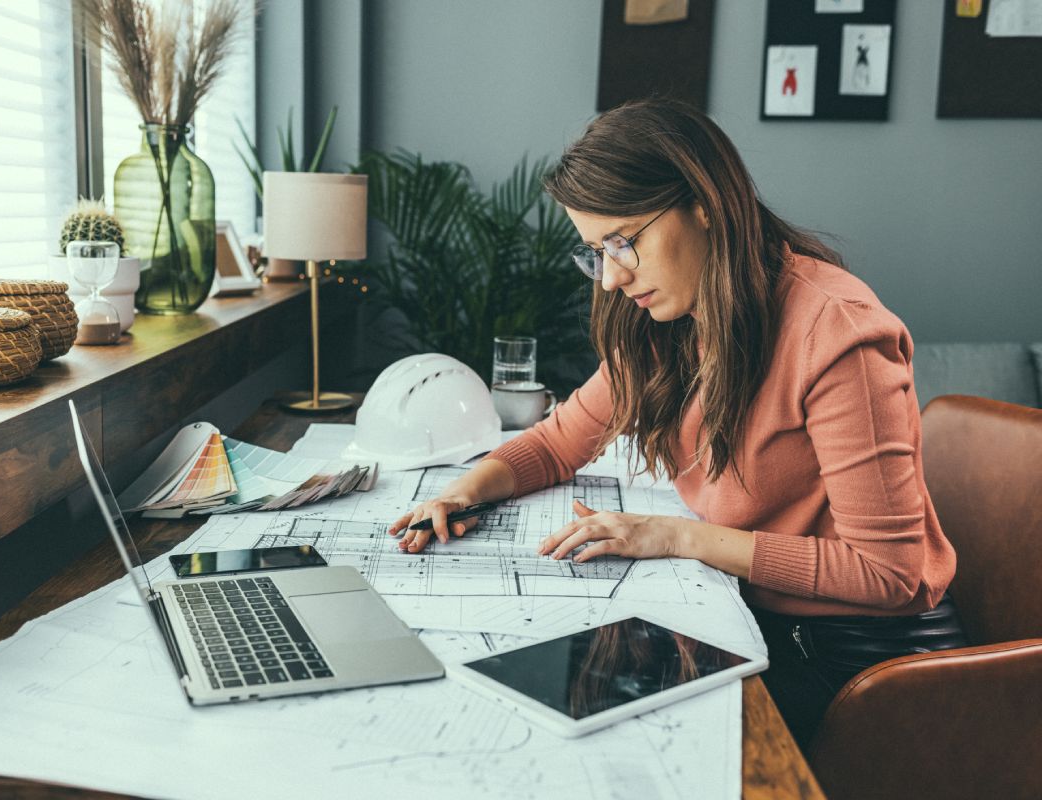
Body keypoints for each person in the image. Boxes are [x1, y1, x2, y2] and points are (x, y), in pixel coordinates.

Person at [387, 99, 967, 747]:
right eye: (594, 253)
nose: (608, 279)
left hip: (863, 665)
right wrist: (467, 489)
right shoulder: (664, 324)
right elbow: (558, 442)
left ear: (706, 205)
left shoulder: (838, 332)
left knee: (615, 738)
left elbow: (889, 574)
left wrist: (676, 536)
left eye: (623, 242)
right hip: (750, 615)